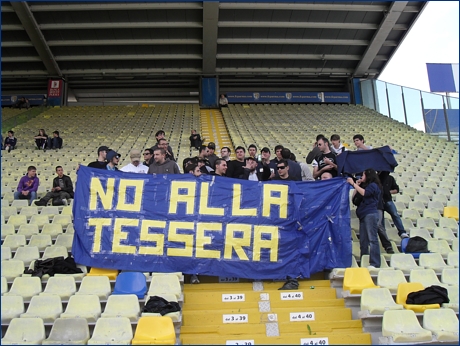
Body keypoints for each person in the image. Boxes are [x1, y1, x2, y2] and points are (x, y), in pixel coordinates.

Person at [347, 169, 382, 268]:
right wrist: (356, 185)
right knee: (363, 240)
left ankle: (375, 263)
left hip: (370, 214)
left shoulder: (373, 186)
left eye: (363, 175)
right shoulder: (363, 186)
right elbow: (354, 199)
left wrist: (354, 184)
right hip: (363, 215)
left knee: (372, 239)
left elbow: (365, 193)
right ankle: (364, 260)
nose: (361, 177)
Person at [379, 171, 409, 239]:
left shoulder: (390, 178)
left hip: (388, 200)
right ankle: (384, 236)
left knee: (395, 215)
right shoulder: (376, 178)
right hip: (379, 202)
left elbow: (396, 189)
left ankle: (402, 232)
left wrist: (388, 192)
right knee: (381, 220)